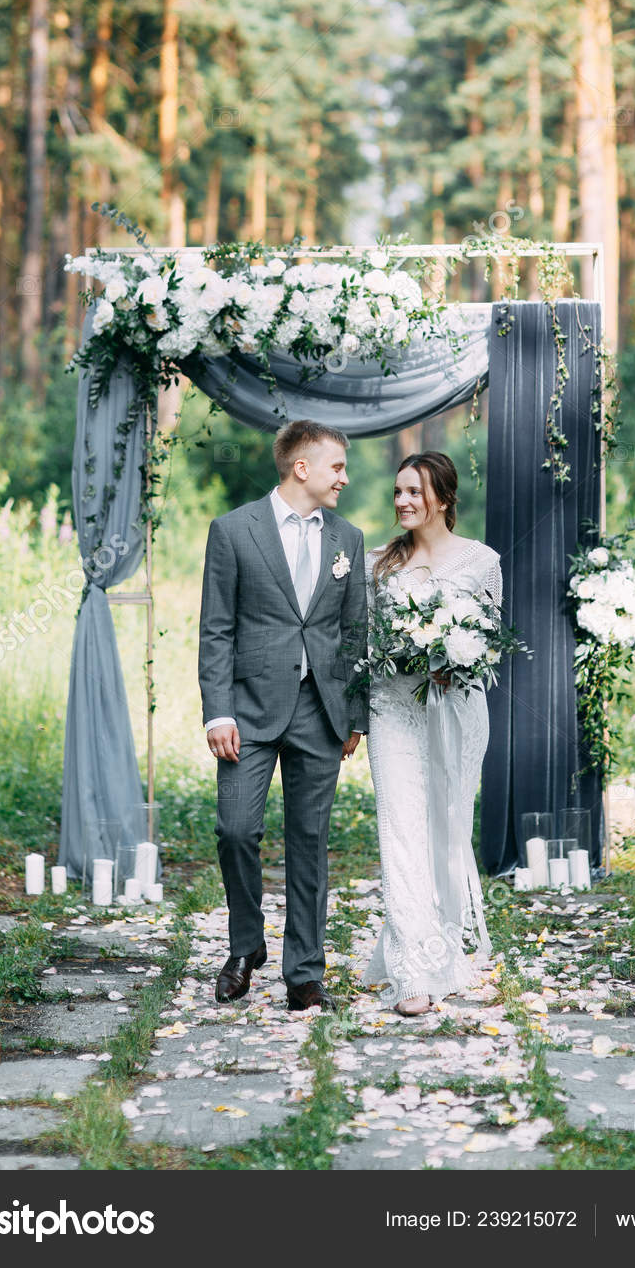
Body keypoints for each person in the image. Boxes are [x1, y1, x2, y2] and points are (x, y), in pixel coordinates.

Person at [198, 419, 368, 1012]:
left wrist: (356, 715)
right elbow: (216, 629)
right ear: (303, 468)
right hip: (247, 711)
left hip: (320, 712)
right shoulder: (233, 530)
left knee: (310, 841)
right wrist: (217, 711)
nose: (345, 478)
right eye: (337, 468)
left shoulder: (348, 538)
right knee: (236, 829)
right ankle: (246, 946)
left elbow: (354, 634)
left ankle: (304, 971)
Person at [363, 452, 502, 1015]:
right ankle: (412, 975)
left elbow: (491, 642)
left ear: (442, 498)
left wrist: (454, 654)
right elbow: (365, 645)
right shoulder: (379, 565)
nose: (402, 502)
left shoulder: (482, 560)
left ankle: (445, 951)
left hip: (457, 712)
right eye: (397, 492)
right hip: (392, 710)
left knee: (445, 832)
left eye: (414, 492)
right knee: (400, 831)